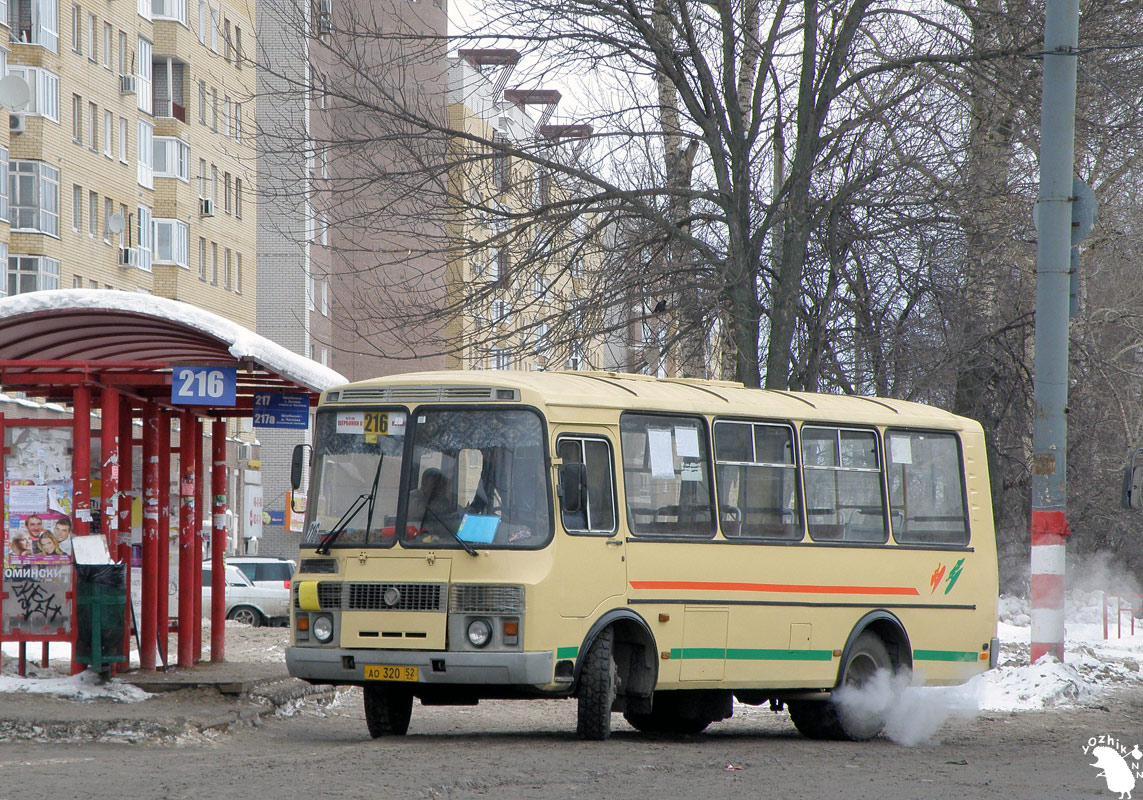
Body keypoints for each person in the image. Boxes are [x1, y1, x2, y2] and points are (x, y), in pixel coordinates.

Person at [407, 468, 461, 539]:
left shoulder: (440, 499)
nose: (437, 488)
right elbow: (422, 512)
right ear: (424, 483)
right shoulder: (413, 496)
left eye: (440, 485)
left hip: (437, 536)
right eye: (434, 485)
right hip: (416, 536)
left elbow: (451, 510)